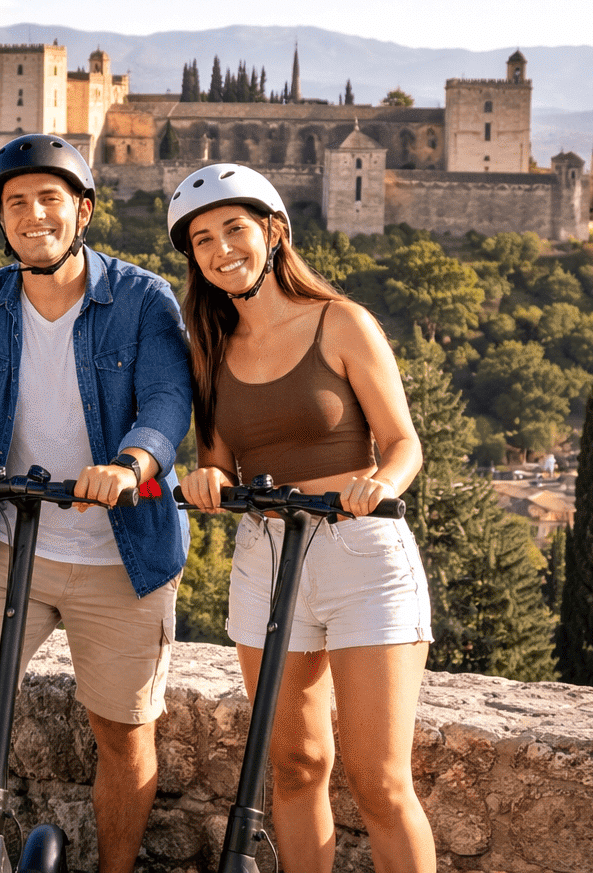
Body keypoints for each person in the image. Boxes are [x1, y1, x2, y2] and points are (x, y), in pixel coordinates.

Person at [0, 134, 191, 873]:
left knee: (124, 733)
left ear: (84, 210)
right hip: (9, 543)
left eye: (49, 199)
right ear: (1, 220)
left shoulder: (141, 297)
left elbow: (167, 400)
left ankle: (116, 870)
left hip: (121, 554)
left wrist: (131, 463)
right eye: (15, 204)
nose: (33, 215)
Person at [169, 163, 435, 873]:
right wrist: (207, 480)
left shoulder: (341, 321)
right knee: (293, 764)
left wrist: (379, 483)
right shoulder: (210, 350)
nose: (221, 249)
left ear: (273, 231)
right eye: (202, 240)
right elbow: (219, 460)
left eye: (235, 229)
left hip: (360, 555)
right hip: (266, 556)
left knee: (379, 781)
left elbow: (405, 442)